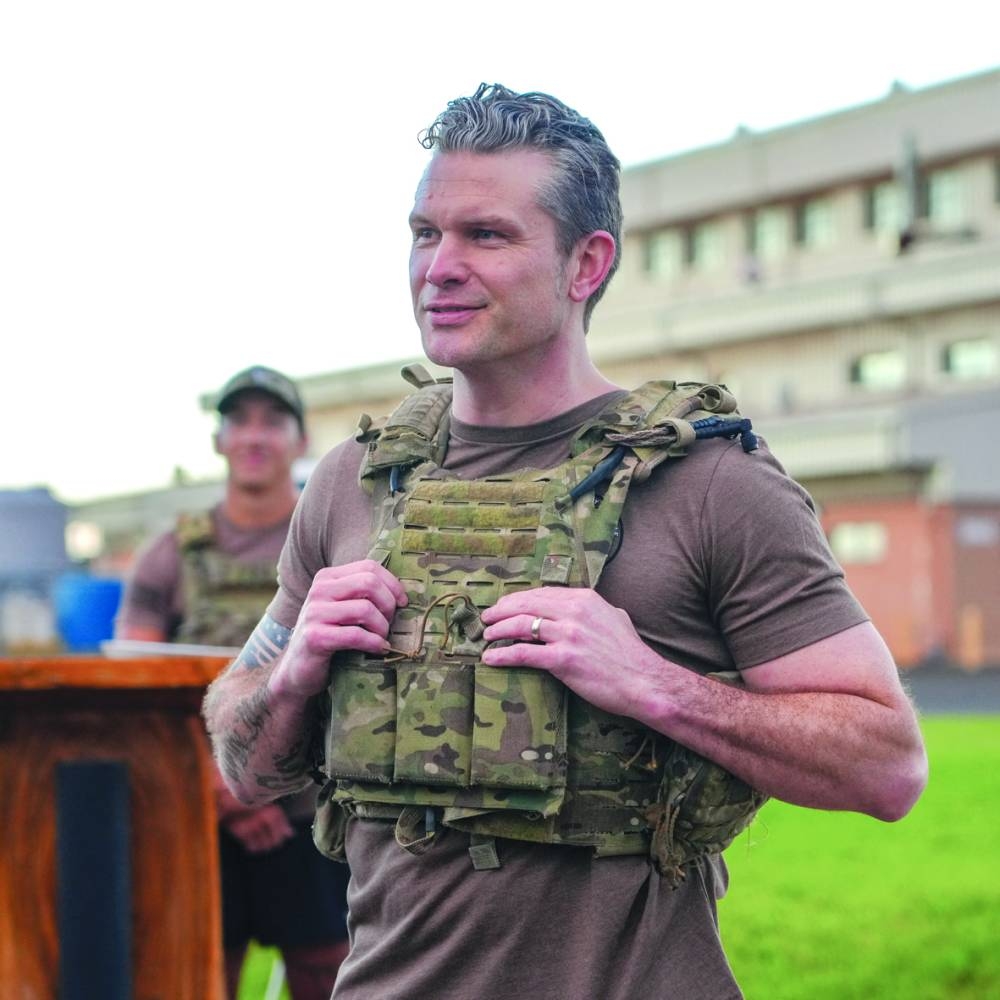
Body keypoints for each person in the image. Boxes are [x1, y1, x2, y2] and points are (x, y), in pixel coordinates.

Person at [203, 86, 928, 1000]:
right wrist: (295, 670)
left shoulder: (710, 483)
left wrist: (655, 685)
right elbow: (242, 759)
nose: (439, 267)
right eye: (425, 233)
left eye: (487, 236)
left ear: (587, 264)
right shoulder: (355, 480)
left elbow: (888, 763)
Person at [117, 365, 350, 1000]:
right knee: (197, 970)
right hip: (196, 810)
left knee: (327, 970)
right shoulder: (173, 553)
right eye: (238, 421)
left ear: (301, 440)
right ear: (218, 441)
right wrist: (223, 791)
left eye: (272, 421)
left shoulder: (333, 534)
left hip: (308, 811)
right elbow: (135, 691)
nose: (254, 436)